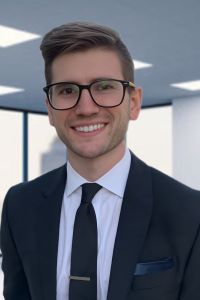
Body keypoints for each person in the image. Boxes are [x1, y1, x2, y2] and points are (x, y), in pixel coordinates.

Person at [1, 22, 200, 300]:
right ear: (49, 109)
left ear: (133, 102)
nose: (86, 108)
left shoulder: (190, 213)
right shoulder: (19, 206)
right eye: (67, 90)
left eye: (104, 87)